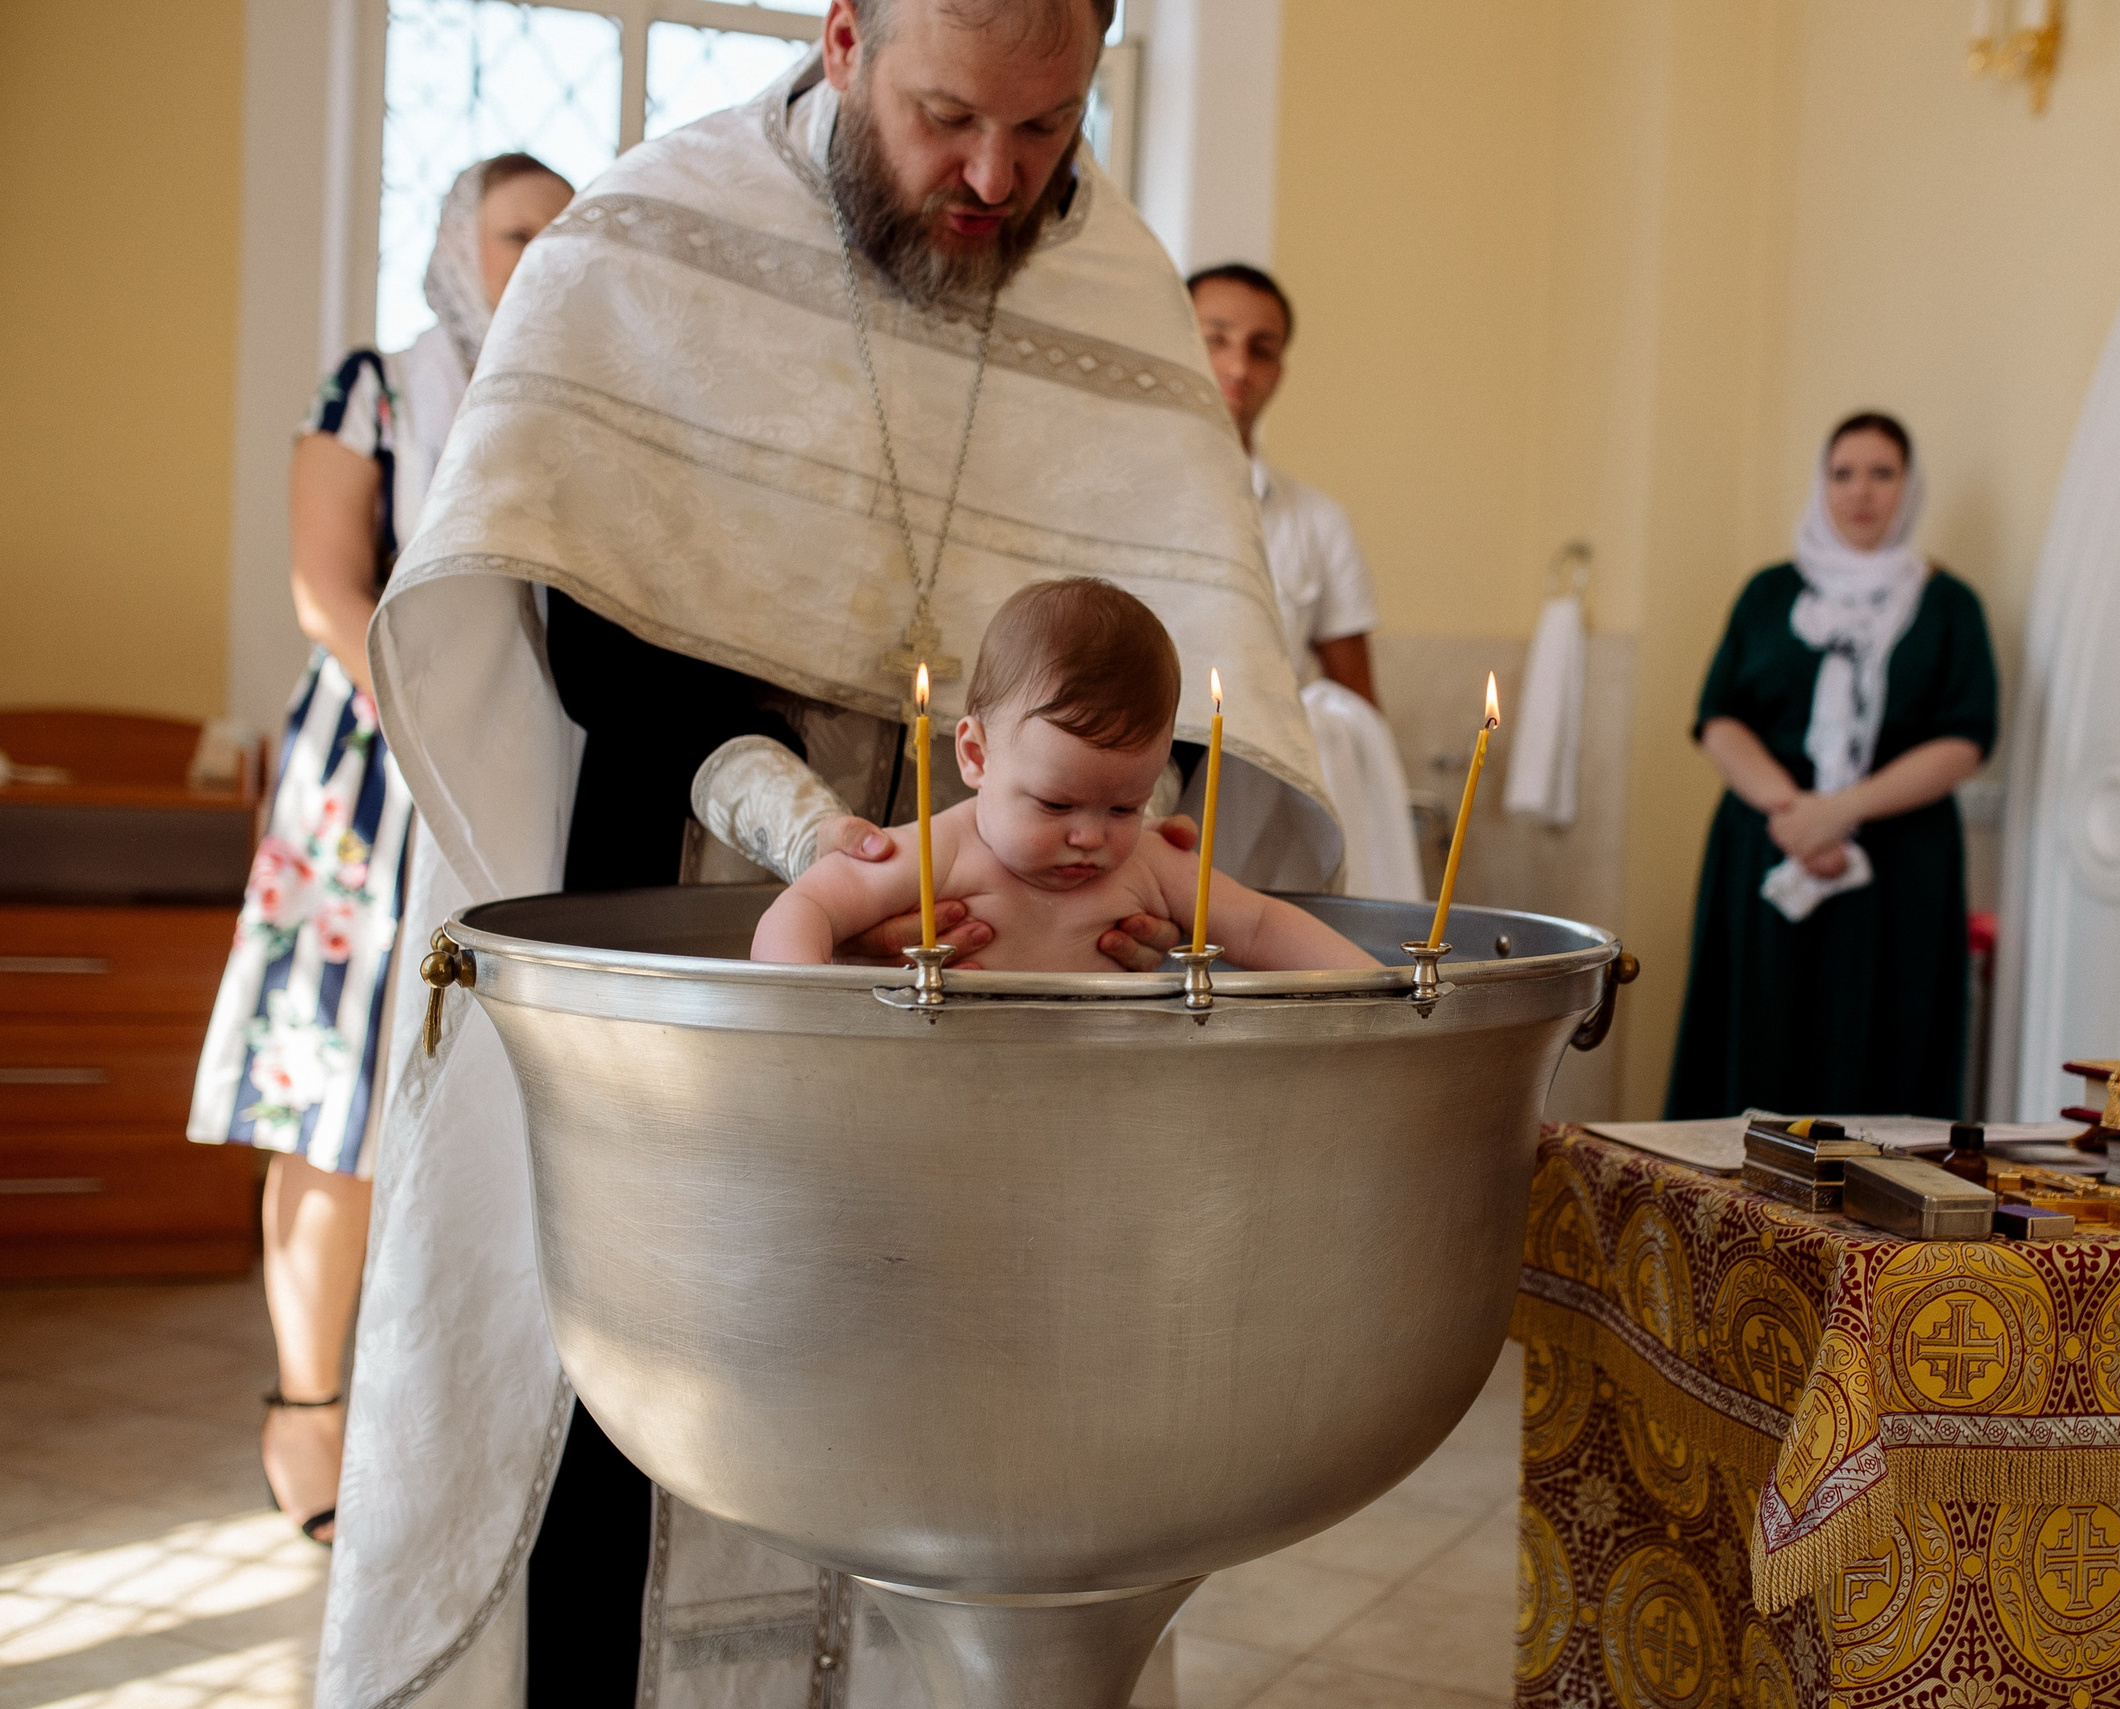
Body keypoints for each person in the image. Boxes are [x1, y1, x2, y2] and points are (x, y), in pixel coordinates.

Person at [334, 3, 1340, 1703]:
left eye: (1048, 127)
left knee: (971, 1421)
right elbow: (589, 638)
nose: (995, 175)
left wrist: (1112, 889)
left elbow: (1170, 700)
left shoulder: (1116, 299)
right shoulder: (655, 237)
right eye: (951, 115)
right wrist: (810, 835)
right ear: (848, 35)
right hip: (687, 920)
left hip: (1001, 1034)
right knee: (645, 1399)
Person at [185, 154, 573, 1548]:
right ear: (457, 246)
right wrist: (439, 719)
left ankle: (456, 1412)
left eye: (565, 235)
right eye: (518, 231)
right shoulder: (376, 383)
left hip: (523, 773)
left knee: (489, 1100)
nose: (543, 254)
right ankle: (309, 1412)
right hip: (377, 766)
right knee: (332, 1094)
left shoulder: (581, 409)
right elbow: (323, 585)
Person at [757, 579, 1374, 969]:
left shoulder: (1151, 866)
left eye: (1124, 808)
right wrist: (805, 1010)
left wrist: (1378, 993)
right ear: (975, 756)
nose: (1090, 836)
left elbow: (1262, 926)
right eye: (1055, 805)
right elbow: (807, 906)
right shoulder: (937, 854)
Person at [1664, 412, 1995, 1120]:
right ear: (1823, 484)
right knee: (1756, 1037)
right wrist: (1794, 813)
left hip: (1896, 859)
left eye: (1882, 473)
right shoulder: (1769, 593)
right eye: (1843, 474)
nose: (1861, 493)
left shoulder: (1948, 605)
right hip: (1768, 843)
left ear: (1909, 486)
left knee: (1886, 1044)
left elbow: (1966, 737)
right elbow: (1720, 717)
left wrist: (1837, 813)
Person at [1189, 261, 1426, 901]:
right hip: (1135, 803)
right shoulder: (1113, 499)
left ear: (1279, 371)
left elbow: (1359, 709)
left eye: (1260, 349)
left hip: (1271, 817)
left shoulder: (1317, 522)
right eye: (1215, 338)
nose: (1238, 367)